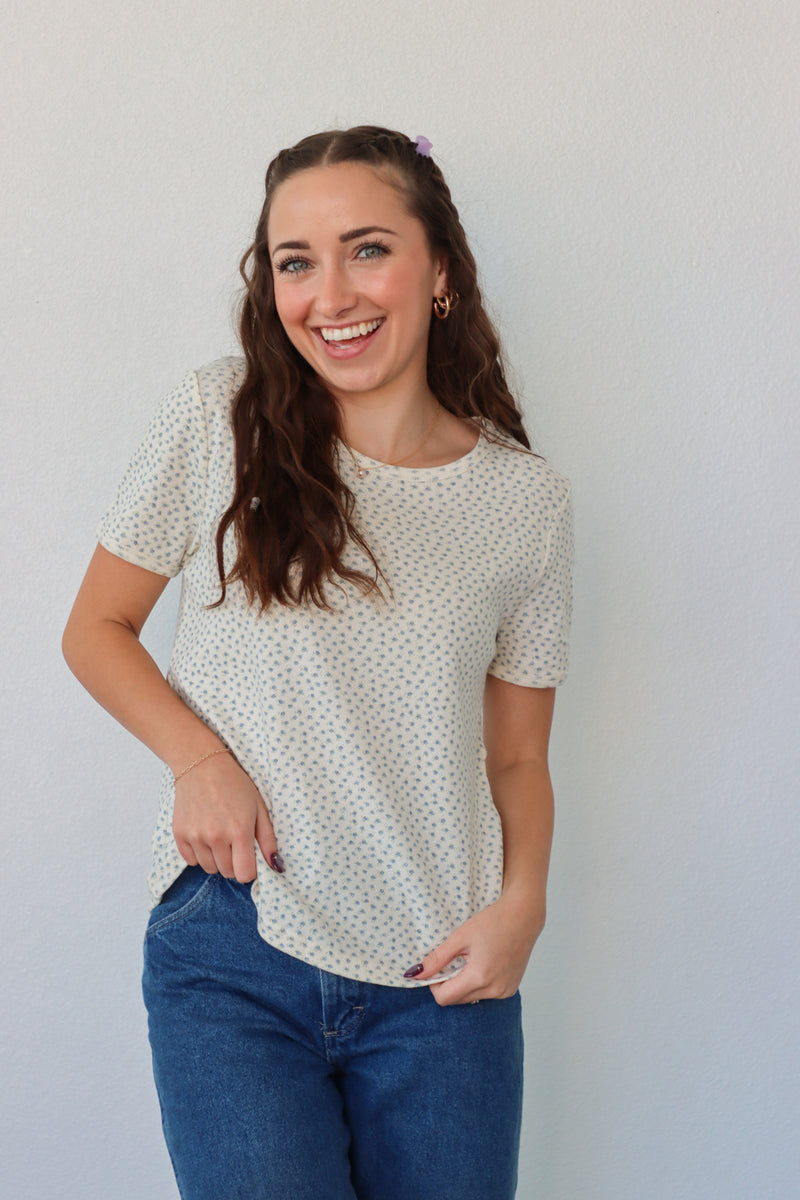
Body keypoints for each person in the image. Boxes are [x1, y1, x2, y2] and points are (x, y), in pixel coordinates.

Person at [62, 126, 573, 1200]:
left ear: (439, 268)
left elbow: (518, 760)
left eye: (366, 249)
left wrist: (521, 907)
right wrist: (198, 760)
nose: (327, 293)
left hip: (442, 972)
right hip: (236, 946)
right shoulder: (217, 416)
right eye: (295, 261)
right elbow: (96, 629)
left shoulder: (525, 501)